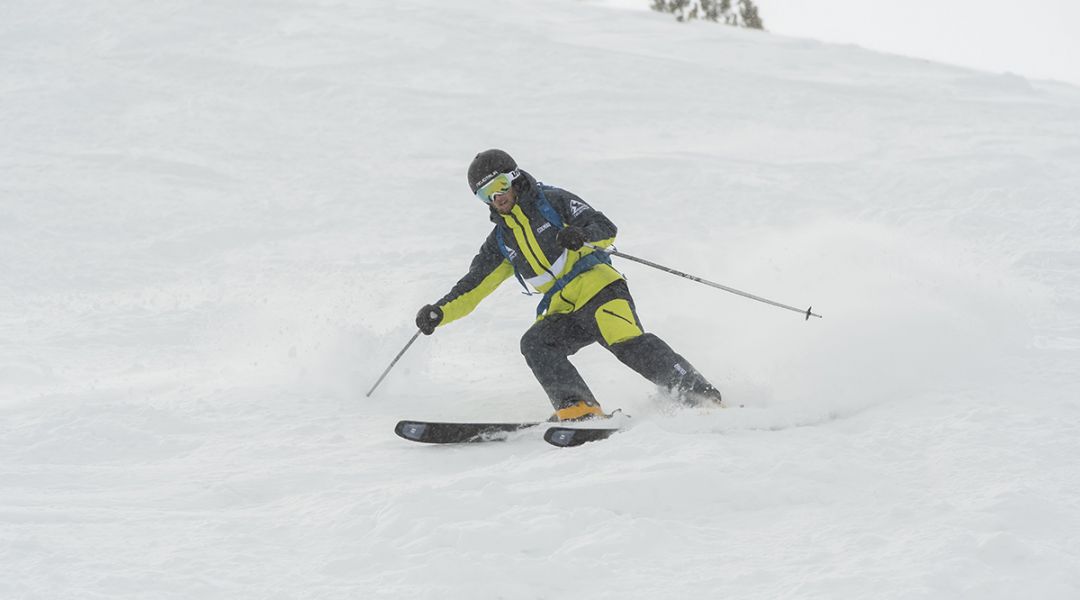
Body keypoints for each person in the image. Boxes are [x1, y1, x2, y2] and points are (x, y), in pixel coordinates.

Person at [415, 149, 723, 421]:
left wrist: (581, 235)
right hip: (563, 309)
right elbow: (473, 286)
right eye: (486, 195)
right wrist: (439, 313)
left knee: (624, 341)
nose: (497, 198)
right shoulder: (501, 241)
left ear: (514, 178)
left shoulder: (552, 201)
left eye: (499, 187)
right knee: (536, 343)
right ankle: (579, 408)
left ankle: (698, 394)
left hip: (600, 289)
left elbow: (604, 226)